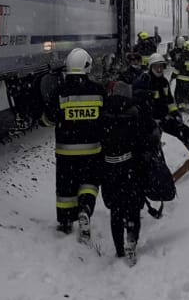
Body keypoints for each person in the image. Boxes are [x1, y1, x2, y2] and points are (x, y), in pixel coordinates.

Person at [42, 47, 103, 239]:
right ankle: (85, 208)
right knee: (90, 183)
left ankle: (65, 222)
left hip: (66, 153)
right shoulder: (98, 91)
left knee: (65, 189)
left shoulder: (60, 92)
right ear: (87, 66)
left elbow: (48, 119)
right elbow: (105, 119)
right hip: (92, 152)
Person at [99, 72, 158, 263]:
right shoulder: (134, 113)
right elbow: (144, 141)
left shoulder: (103, 114)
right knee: (132, 207)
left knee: (115, 210)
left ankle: (119, 249)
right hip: (130, 167)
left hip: (109, 168)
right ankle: (131, 239)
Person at [136, 53, 189, 157]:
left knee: (187, 132)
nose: (159, 69)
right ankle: (156, 165)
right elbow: (137, 96)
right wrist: (150, 117)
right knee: (153, 146)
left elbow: (170, 101)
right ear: (151, 67)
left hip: (164, 118)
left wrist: (175, 113)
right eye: (156, 66)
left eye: (161, 66)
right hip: (151, 121)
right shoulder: (145, 80)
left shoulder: (164, 82)